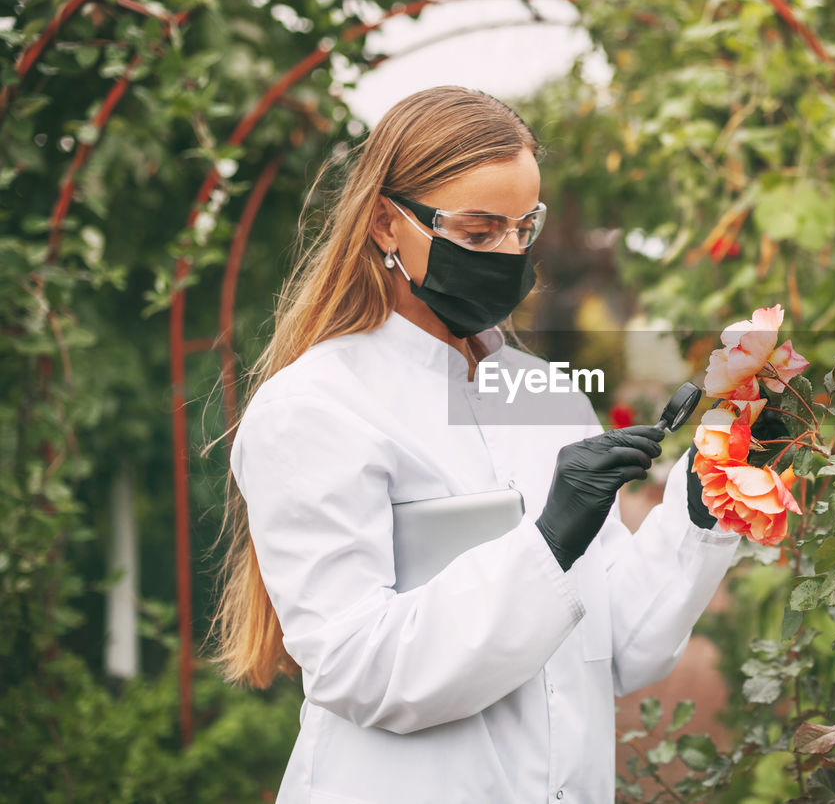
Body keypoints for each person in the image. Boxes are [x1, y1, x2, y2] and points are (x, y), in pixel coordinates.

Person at [209, 86, 742, 803]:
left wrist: (719, 476)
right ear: (383, 224)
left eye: (524, 228)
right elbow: (359, 664)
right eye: (478, 230)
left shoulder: (549, 396)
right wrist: (547, 540)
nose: (509, 253)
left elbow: (620, 647)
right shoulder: (315, 407)